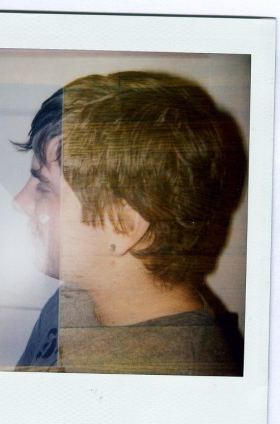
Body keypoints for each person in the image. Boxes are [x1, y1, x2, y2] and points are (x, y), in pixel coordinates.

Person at [14, 71, 244, 375]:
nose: (19, 201)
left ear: (122, 224)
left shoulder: (180, 380)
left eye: (44, 189)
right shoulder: (72, 299)